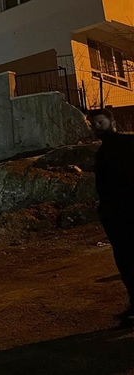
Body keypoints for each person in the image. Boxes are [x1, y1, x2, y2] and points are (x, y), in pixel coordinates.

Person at [91, 108, 134, 327]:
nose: (97, 127)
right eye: (94, 124)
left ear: (112, 121)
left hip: (126, 213)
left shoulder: (127, 144)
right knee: (125, 262)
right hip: (115, 215)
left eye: (100, 122)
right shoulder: (102, 153)